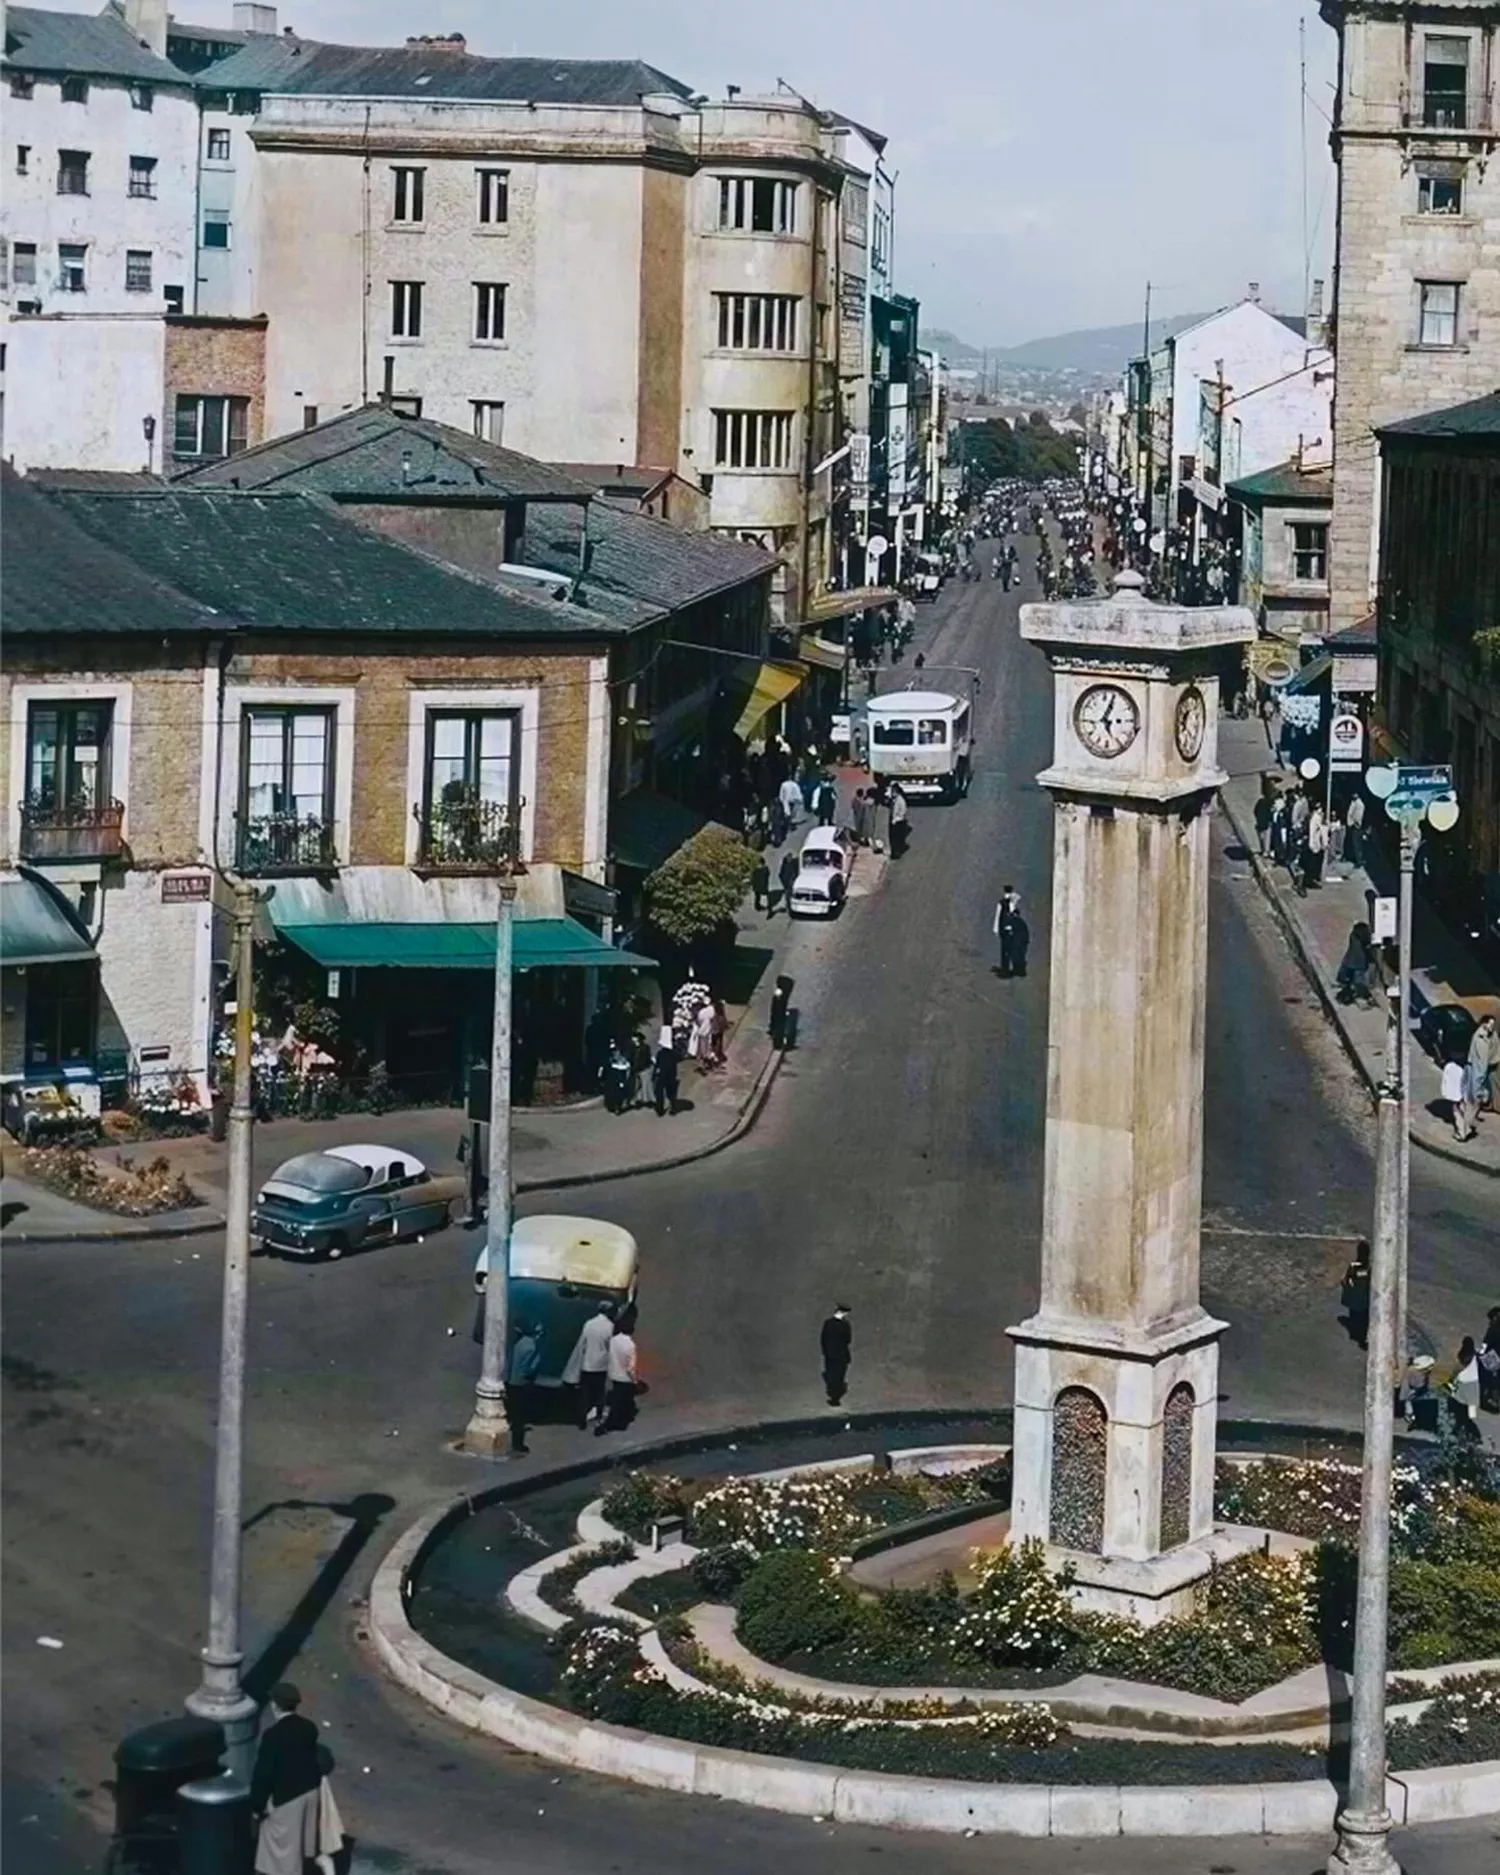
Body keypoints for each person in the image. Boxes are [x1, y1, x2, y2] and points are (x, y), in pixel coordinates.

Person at [251, 1682, 340, 1875]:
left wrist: (257, 1807)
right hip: (311, 1793)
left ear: (275, 1705)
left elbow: (263, 1774)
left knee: (282, 1855)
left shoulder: (272, 1736)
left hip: (288, 1799)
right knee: (304, 1846)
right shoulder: (309, 1728)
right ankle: (326, 1867)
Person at [565, 1301, 615, 1430]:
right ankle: (598, 1418)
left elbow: (582, 1344)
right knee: (599, 1394)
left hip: (588, 1364)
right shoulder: (610, 1327)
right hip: (602, 1365)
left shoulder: (589, 1324)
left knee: (584, 1394)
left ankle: (581, 1420)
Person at [505, 1321, 541, 1455]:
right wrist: (536, 1362)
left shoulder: (520, 1343)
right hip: (522, 1383)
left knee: (515, 1413)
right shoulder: (531, 1346)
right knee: (520, 1416)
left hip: (512, 1381)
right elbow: (527, 1370)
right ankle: (518, 1444)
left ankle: (514, 1435)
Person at [600, 1316, 638, 1434]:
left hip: (612, 1374)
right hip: (624, 1379)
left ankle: (605, 1421)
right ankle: (617, 1423)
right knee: (621, 1402)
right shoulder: (631, 1345)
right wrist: (635, 1380)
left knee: (611, 1400)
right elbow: (630, 1368)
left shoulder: (613, 1340)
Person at [1339, 1239, 1372, 1349]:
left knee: (1355, 1316)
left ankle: (1355, 1330)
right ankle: (1360, 1333)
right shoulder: (1369, 1270)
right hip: (1364, 1301)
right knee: (1363, 1320)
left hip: (1355, 1300)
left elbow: (1345, 1280)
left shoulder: (1353, 1267)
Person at [1335, 923, 1376, 1009]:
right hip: (1359, 964)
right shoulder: (1364, 939)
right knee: (1358, 982)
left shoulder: (1353, 936)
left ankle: (1348, 995)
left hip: (1350, 962)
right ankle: (1363, 998)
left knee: (1351, 980)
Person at [1450, 1336, 1482, 1441]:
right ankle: (1472, 1434)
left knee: (1460, 1414)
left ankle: (1462, 1432)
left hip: (1461, 1391)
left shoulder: (1461, 1359)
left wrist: (1449, 1385)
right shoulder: (1475, 1356)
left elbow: (1454, 1374)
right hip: (1472, 1389)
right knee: (1468, 1415)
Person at [820, 1305, 852, 1407]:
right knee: (839, 1374)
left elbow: (823, 1339)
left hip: (830, 1354)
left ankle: (833, 1388)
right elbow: (848, 1339)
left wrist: (825, 1351)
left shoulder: (828, 1323)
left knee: (831, 1372)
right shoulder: (845, 1325)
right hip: (841, 1354)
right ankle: (836, 1389)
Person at [650, 1020, 679, 1117]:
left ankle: (660, 1109)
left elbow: (657, 1065)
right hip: (670, 1074)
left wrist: (655, 1074)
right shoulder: (672, 1053)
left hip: (664, 1074)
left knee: (661, 1092)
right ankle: (671, 1108)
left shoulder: (661, 1053)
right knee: (670, 1092)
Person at [1344, 790, 1366, 869]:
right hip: (1353, 825)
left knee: (1357, 844)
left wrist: (1355, 823)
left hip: (1356, 826)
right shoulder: (1354, 802)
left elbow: (1358, 816)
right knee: (1355, 843)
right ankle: (1357, 859)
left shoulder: (1359, 804)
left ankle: (1359, 861)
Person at [888, 782, 910, 858]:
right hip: (894, 821)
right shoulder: (894, 799)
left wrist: (896, 819)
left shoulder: (901, 800)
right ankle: (894, 852)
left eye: (892, 791)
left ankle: (897, 853)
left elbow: (903, 812)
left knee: (897, 839)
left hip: (899, 822)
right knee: (893, 838)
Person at [777, 847, 800, 915]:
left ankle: (791, 907)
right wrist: (784, 882)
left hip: (791, 882)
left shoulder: (794, 863)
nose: (789, 859)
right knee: (788, 896)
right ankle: (789, 908)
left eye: (789, 857)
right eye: (788, 858)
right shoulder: (786, 865)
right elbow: (781, 874)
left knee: (790, 896)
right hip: (787, 883)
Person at [1252, 790, 1274, 858]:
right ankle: (1266, 851)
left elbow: (1255, 811)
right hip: (1267, 823)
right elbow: (1271, 813)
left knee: (1261, 838)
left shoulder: (1259, 802)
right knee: (1267, 838)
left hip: (1260, 822)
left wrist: (1258, 818)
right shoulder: (1270, 802)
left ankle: (1263, 850)